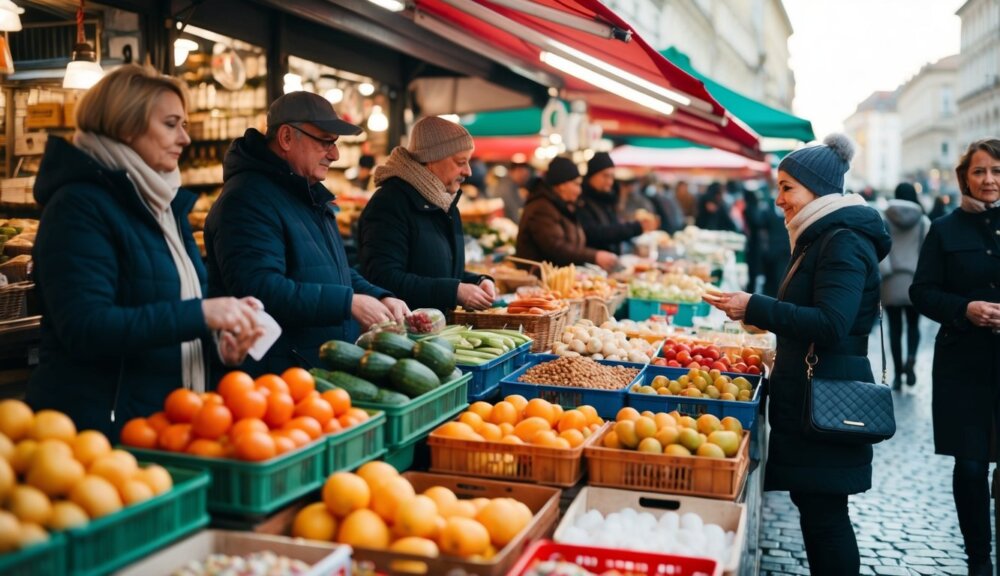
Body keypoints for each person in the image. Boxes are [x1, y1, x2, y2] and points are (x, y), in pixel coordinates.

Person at [25, 65, 264, 439]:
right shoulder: (79, 206)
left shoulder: (163, 204)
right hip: (100, 433)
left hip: (166, 423)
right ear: (126, 125)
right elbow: (85, 327)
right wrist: (202, 313)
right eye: (171, 124)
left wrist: (221, 349)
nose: (185, 138)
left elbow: (169, 313)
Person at [704, 134, 891, 576]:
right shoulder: (818, 237)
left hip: (827, 395)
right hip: (814, 390)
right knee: (817, 510)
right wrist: (759, 317)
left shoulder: (841, 240)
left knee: (826, 518)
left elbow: (831, 324)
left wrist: (756, 306)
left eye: (788, 187)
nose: (779, 198)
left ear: (817, 189)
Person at [205, 91, 408, 375]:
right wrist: (347, 303)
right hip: (275, 383)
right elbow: (261, 289)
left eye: (335, 144)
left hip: (311, 372)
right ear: (287, 138)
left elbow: (334, 271)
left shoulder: (307, 193)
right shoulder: (246, 200)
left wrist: (379, 296)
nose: (335, 154)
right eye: (325, 141)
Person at [910, 138, 1000, 576]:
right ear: (966, 176)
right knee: (969, 467)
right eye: (981, 171)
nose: (989, 180)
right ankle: (979, 559)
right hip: (962, 366)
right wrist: (964, 309)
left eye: (997, 171)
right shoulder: (944, 229)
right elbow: (921, 292)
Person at [357, 117, 496, 311]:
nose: (468, 171)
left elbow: (442, 271)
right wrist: (454, 291)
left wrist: (478, 281)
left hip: (437, 330)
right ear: (431, 159)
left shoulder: (445, 204)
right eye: (460, 162)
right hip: (404, 334)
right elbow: (383, 278)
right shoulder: (390, 203)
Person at [516, 157, 617, 271]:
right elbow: (556, 248)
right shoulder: (542, 208)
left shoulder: (563, 206)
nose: (579, 190)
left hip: (558, 276)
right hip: (538, 280)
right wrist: (594, 256)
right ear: (562, 185)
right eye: (576, 184)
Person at [880, 182, 929, 389]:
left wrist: (887, 271)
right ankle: (911, 359)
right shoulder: (924, 221)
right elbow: (928, 254)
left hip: (891, 281)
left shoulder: (884, 219)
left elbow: (880, 249)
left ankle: (898, 373)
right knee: (913, 326)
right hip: (914, 281)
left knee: (895, 329)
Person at [577, 152, 657, 254]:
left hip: (612, 260)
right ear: (591, 176)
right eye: (605, 176)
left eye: (611, 177)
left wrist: (633, 244)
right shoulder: (581, 201)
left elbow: (614, 227)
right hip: (593, 265)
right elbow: (596, 233)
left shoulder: (607, 199)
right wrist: (636, 227)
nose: (609, 181)